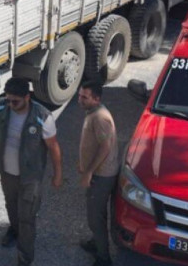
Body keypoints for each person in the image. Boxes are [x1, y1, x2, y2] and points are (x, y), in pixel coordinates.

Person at [0, 77, 63, 266]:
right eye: (7, 99)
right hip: (7, 173)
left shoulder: (42, 116)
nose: (10, 104)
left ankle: (24, 259)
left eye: (14, 101)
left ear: (27, 97)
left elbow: (53, 147)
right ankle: (14, 231)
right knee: (11, 206)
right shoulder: (1, 108)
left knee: (27, 218)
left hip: (30, 178)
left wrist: (57, 174)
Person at [76, 80, 119, 266]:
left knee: (96, 217)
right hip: (97, 172)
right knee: (94, 214)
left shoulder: (100, 117)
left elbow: (105, 147)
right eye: (79, 95)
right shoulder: (92, 112)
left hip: (101, 176)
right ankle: (96, 243)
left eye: (84, 97)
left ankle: (103, 258)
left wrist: (89, 172)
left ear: (97, 98)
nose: (80, 100)